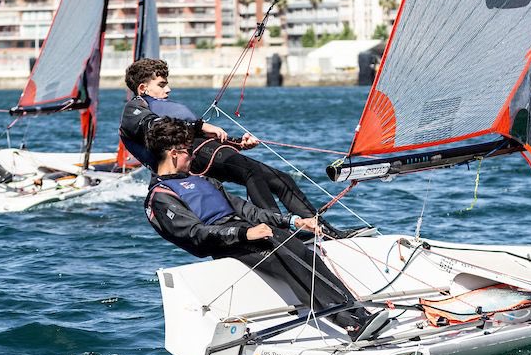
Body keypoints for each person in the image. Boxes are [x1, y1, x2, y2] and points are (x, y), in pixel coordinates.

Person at [144, 118, 373, 338]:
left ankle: (360, 312)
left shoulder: (203, 181)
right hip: (229, 242)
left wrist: (293, 221)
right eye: (188, 151)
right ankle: (350, 324)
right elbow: (196, 234)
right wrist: (245, 233)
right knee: (289, 259)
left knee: (306, 254)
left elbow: (248, 210)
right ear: (174, 154)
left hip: (249, 231)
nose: (193, 156)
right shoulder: (161, 196)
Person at [120, 58, 368, 239]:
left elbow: (193, 134)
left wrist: (238, 143)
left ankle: (325, 231)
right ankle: (278, 232)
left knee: (280, 179)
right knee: (252, 173)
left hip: (205, 151)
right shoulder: (135, 109)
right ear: (143, 88)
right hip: (191, 160)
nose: (168, 89)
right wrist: (202, 125)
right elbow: (160, 127)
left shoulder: (163, 108)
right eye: (162, 85)